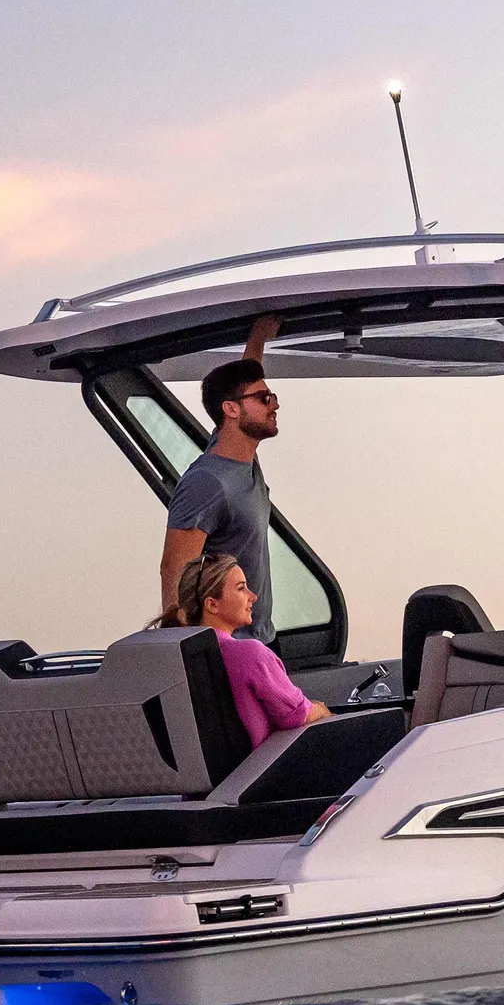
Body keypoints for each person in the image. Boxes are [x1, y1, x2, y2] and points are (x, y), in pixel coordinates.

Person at [157, 316, 281, 642]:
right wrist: (188, 657)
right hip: (233, 650)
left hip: (261, 639)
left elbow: (248, 378)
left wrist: (259, 335)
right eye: (265, 399)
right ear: (231, 410)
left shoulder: (238, 450)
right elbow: (175, 571)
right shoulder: (207, 483)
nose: (275, 404)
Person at [171, 551, 326, 744]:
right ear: (212, 605)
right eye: (241, 588)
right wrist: (322, 710)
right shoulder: (250, 654)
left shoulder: (179, 658)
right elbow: (296, 715)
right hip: (262, 768)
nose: (252, 596)